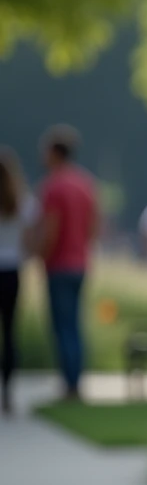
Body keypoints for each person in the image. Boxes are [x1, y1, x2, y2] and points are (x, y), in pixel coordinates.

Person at [34, 126, 98, 401]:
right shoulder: (85, 184)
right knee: (74, 324)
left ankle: (69, 384)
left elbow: (51, 229)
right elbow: (94, 226)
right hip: (80, 263)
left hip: (59, 265)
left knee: (62, 326)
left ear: (54, 153)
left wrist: (39, 255)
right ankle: (76, 379)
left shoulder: (53, 186)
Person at [0, 148, 39, 415]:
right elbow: (29, 242)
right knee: (9, 332)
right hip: (11, 270)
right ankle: (7, 394)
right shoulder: (22, 202)